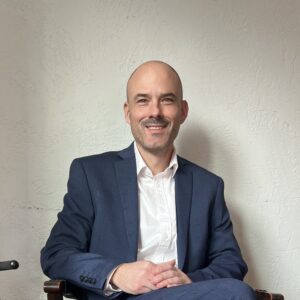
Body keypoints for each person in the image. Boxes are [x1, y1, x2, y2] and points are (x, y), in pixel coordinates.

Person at [41, 61, 256, 300]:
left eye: (166, 100)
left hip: (186, 295)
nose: (155, 112)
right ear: (128, 112)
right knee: (236, 294)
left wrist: (189, 281)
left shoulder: (209, 186)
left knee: (235, 292)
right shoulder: (91, 174)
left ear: (182, 111)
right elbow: (57, 254)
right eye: (143, 100)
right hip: (117, 297)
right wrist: (117, 273)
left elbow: (231, 263)